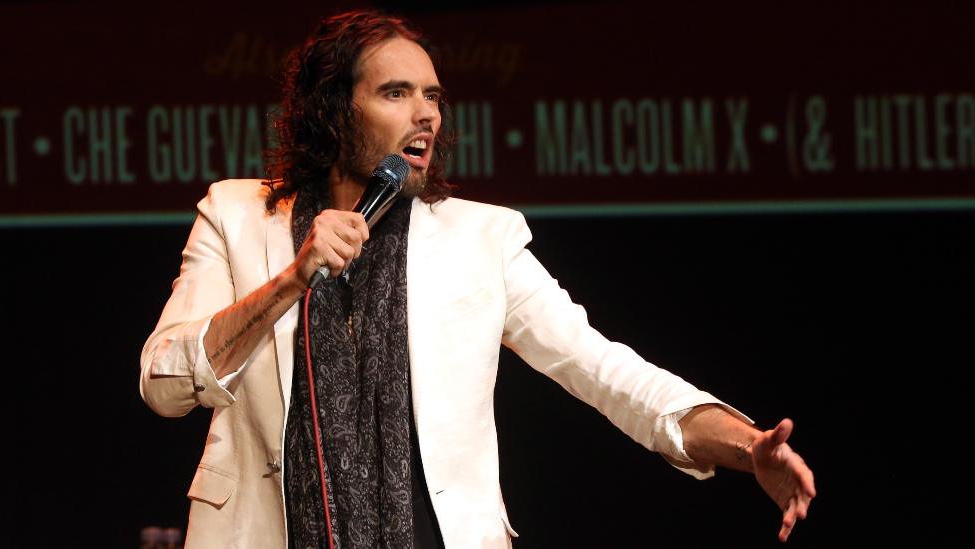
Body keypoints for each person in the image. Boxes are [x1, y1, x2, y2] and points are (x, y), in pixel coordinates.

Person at [140, 9, 815, 549]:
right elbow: (164, 383)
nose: (425, 114)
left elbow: (607, 371)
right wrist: (291, 279)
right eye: (396, 93)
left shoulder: (480, 240)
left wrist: (744, 443)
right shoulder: (234, 216)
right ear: (333, 110)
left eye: (432, 95)